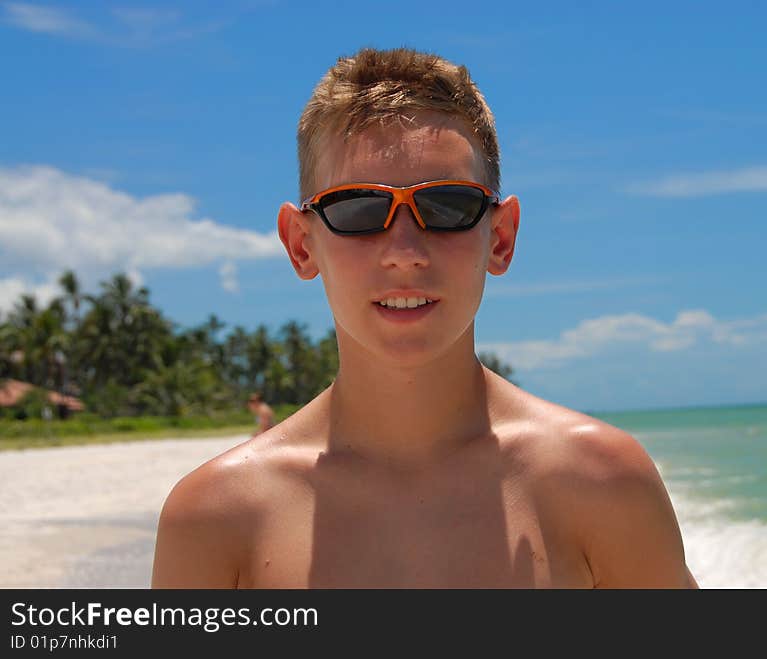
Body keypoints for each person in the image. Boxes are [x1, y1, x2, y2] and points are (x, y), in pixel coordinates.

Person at [151, 47, 698, 588]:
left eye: (448, 207)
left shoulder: (600, 482)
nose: (405, 250)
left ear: (501, 238)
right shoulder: (217, 517)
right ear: (301, 246)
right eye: (358, 209)